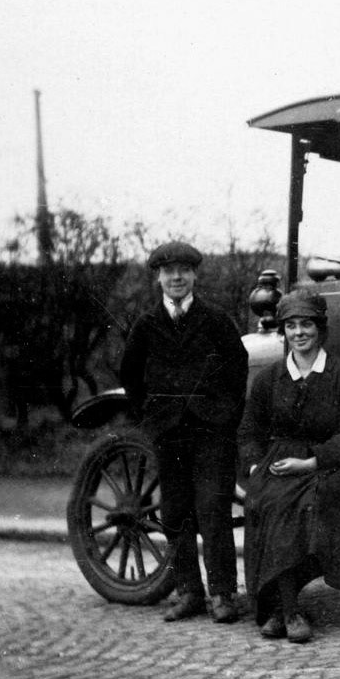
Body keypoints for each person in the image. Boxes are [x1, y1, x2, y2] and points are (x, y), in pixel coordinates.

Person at [119, 241, 248, 623]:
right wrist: (151, 417)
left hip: (211, 433)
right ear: (158, 277)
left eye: (183, 271)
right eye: (168, 271)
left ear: (194, 275)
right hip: (169, 433)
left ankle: (223, 594)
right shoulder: (146, 325)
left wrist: (225, 417)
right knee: (175, 512)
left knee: (213, 510)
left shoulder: (216, 320)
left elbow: (237, 369)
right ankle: (188, 591)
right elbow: (130, 374)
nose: (176, 278)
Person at [239, 288, 340, 643]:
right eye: (291, 326)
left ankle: (283, 611)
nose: (299, 333)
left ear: (320, 328)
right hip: (278, 463)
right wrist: (253, 467)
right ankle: (289, 609)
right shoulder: (269, 379)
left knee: (309, 505)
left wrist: (310, 462)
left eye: (306, 324)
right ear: (284, 332)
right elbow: (249, 431)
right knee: (271, 501)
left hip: (328, 465)